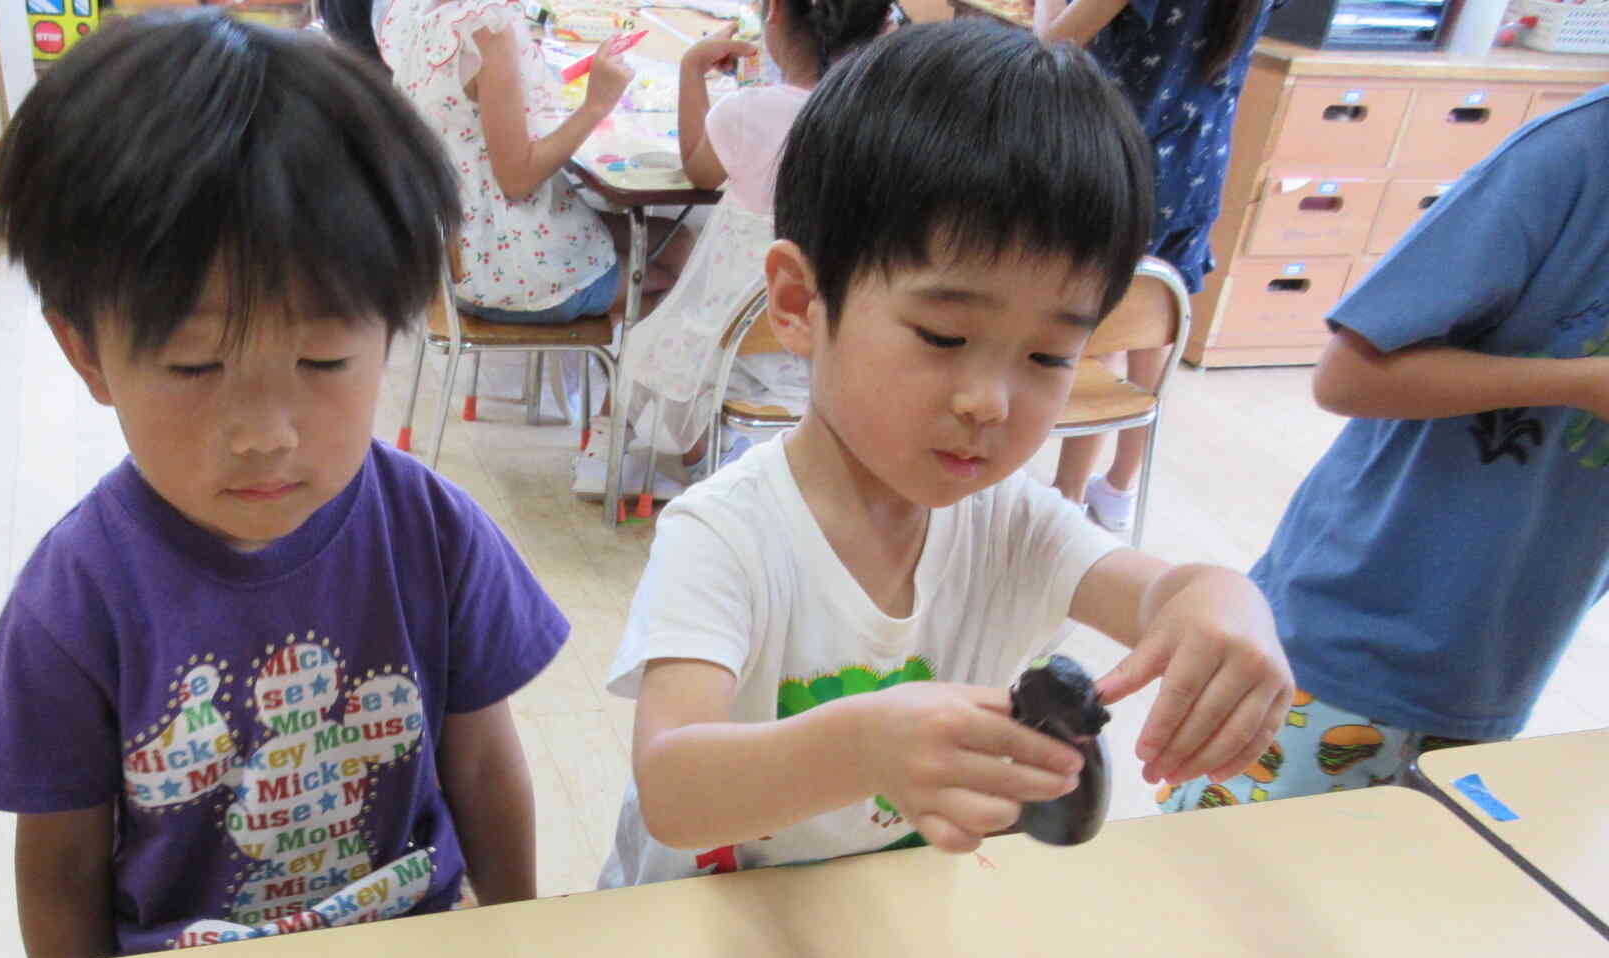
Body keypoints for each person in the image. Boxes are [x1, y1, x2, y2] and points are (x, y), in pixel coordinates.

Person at [597, 20, 1293, 887]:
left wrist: (1227, 603)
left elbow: (1169, 598)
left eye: (1048, 356)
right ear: (800, 302)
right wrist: (861, 747)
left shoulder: (1013, 526)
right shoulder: (727, 535)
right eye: (944, 334)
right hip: (694, 936)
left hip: (881, 933)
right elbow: (674, 789)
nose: (989, 402)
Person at [0, 12, 570, 958]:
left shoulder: (432, 532)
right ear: (85, 352)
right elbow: (61, 863)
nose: (265, 436)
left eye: (323, 358)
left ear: (394, 326)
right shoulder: (76, 598)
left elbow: (482, 761)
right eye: (195, 366)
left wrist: (521, 945)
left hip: (419, 956)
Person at [1160, 85, 1609, 814]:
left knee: (1382, 896)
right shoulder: (1571, 157)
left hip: (1501, 658)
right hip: (1350, 636)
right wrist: (1580, 384)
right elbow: (1350, 374)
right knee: (1213, 883)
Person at [613, 0, 889, 470]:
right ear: (883, 29)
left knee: (649, 336)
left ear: (775, 14)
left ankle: (678, 457)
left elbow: (699, 171)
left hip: (725, 349)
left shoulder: (748, 110)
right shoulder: (883, 126)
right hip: (829, 352)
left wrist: (692, 69)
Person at [1034, 0, 1272, 531]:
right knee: (1153, 317)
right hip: (1199, 160)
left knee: (1105, 332)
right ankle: (1119, 487)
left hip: (1126, 157)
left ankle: (1068, 495)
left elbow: (1051, 45)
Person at [376, 0, 683, 322]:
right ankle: (632, 367)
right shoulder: (489, 28)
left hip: (456, 254)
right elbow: (517, 180)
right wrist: (597, 103)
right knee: (674, 268)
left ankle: (622, 363)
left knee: (670, 239)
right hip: (506, 271)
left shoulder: (424, 12)